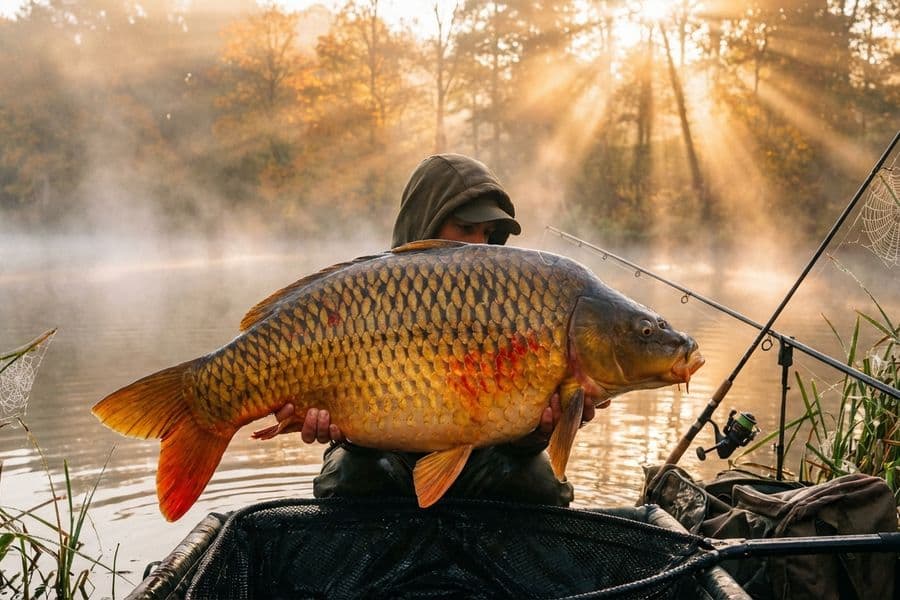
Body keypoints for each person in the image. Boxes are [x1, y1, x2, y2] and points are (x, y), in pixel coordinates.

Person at [275, 153, 595, 505]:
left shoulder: (514, 303)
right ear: (425, 224)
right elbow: (353, 415)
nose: (479, 245)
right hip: (383, 455)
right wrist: (335, 429)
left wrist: (539, 432)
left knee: (541, 482)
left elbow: (514, 430)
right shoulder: (369, 297)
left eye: (488, 233)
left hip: (482, 457)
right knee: (348, 476)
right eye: (465, 228)